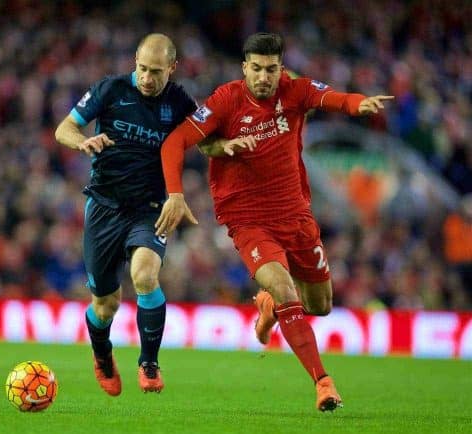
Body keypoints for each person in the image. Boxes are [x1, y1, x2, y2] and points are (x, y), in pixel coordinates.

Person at [155, 32, 393, 411]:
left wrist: (358, 104)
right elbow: (174, 143)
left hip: (295, 214)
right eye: (257, 69)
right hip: (247, 218)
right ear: (244, 68)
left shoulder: (294, 90)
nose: (264, 77)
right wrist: (176, 193)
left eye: (271, 69)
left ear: (280, 68)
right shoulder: (225, 100)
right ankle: (323, 383)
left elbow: (331, 97)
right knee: (286, 290)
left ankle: (268, 307)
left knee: (319, 305)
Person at [55, 33, 204, 395]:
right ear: (134, 60)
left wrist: (225, 144)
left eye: (156, 71)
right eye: (141, 69)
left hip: (149, 208)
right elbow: (64, 129)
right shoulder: (110, 89)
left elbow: (205, 134)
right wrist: (83, 141)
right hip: (104, 207)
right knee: (105, 305)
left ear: (172, 67)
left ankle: (148, 363)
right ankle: (102, 353)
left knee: (145, 275)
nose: (147, 79)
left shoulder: (180, 101)